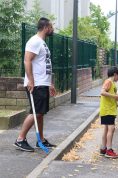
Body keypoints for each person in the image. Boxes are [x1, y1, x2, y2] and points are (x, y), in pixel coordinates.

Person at [14, 17, 56, 152]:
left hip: (43, 83)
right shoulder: (34, 41)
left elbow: (45, 64)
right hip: (36, 83)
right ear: (45, 28)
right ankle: (20, 139)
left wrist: (50, 83)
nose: (52, 29)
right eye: (51, 27)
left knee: (40, 113)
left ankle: (41, 140)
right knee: (36, 112)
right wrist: (31, 80)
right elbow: (27, 61)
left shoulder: (42, 43)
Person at [99, 67, 118, 159]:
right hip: (108, 110)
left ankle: (103, 148)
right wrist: (115, 96)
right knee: (111, 129)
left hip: (109, 109)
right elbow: (102, 92)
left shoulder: (112, 83)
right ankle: (109, 150)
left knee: (106, 129)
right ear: (115, 74)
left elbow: (110, 99)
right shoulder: (109, 81)